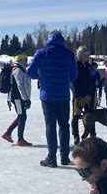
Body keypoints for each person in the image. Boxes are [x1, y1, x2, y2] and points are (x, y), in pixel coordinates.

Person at [27, 31, 77, 168]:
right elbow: (74, 75)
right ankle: (65, 157)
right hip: (64, 96)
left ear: (49, 39)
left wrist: (40, 76)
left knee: (50, 126)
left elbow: (30, 72)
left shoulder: (42, 53)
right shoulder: (69, 54)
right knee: (64, 126)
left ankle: (51, 158)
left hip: (48, 95)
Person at [2, 52, 32, 146]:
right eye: (25, 59)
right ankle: (19, 139)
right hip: (17, 98)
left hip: (19, 97)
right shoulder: (17, 70)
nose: (26, 61)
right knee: (22, 116)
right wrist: (26, 99)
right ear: (20, 60)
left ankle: (8, 134)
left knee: (21, 116)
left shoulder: (21, 69)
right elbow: (20, 86)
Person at [71, 46, 95, 145]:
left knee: (90, 116)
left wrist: (90, 93)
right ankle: (76, 136)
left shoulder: (88, 66)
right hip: (79, 96)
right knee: (76, 116)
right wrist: (82, 95)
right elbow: (75, 82)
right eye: (86, 54)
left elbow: (90, 81)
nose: (88, 56)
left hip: (88, 96)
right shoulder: (75, 66)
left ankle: (92, 135)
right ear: (80, 55)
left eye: (88, 54)